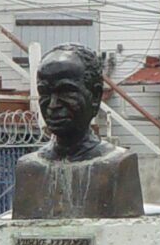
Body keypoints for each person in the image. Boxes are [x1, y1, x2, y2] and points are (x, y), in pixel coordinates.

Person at [11, 44, 143, 218]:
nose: (52, 105)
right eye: (44, 93)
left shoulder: (118, 164)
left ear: (95, 96)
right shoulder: (28, 168)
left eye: (66, 92)